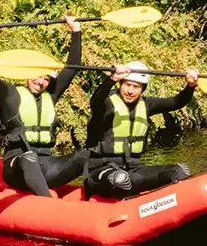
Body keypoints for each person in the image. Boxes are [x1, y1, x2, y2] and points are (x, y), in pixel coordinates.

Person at [0, 19, 86, 197]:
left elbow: (72, 68)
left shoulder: (51, 95)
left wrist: (76, 30)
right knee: (29, 158)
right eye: (37, 76)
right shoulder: (9, 95)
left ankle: (101, 200)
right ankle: (48, 205)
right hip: (16, 167)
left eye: (46, 79)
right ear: (26, 75)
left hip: (47, 166)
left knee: (86, 156)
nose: (41, 82)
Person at [83, 61, 198, 199]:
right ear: (121, 83)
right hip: (100, 171)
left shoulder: (147, 104)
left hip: (132, 170)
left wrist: (191, 86)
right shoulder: (107, 104)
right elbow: (95, 101)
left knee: (179, 170)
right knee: (120, 178)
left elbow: (176, 102)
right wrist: (112, 79)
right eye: (127, 84)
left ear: (143, 89)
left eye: (136, 86)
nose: (130, 91)